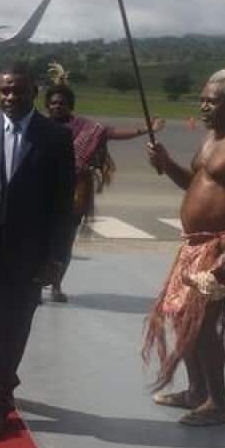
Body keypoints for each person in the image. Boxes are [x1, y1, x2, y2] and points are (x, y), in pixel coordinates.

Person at [0, 64, 75, 439]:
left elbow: (62, 205)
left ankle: (4, 378)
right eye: (4, 91)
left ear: (33, 92)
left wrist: (57, 258)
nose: (9, 98)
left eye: (18, 91)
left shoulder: (54, 137)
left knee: (18, 325)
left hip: (31, 253)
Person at [144, 70, 225, 426]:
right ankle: (197, 391)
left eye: (211, 101)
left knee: (201, 325)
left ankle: (218, 403)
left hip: (222, 247)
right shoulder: (212, 138)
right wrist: (167, 165)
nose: (202, 107)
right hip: (194, 246)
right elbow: (197, 185)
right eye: (201, 100)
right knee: (183, 318)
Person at [43, 80, 162, 303]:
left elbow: (113, 133)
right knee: (39, 243)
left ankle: (56, 286)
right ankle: (35, 284)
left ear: (70, 105)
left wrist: (145, 129)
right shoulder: (38, 126)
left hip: (73, 195)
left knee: (64, 243)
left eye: (62, 103)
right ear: (47, 105)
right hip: (42, 195)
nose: (57, 106)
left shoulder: (88, 129)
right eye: (53, 103)